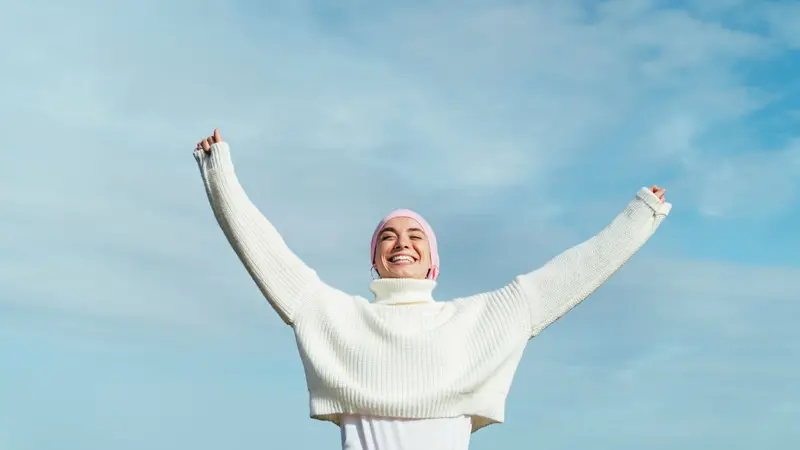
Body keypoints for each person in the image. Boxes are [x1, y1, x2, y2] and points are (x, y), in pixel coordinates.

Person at [193, 128, 671, 450]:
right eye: (388, 236)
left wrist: (640, 215)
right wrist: (219, 174)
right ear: (375, 259)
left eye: (415, 236)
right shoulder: (334, 318)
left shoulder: (481, 320)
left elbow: (575, 272)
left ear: (432, 263)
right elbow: (265, 252)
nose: (402, 243)